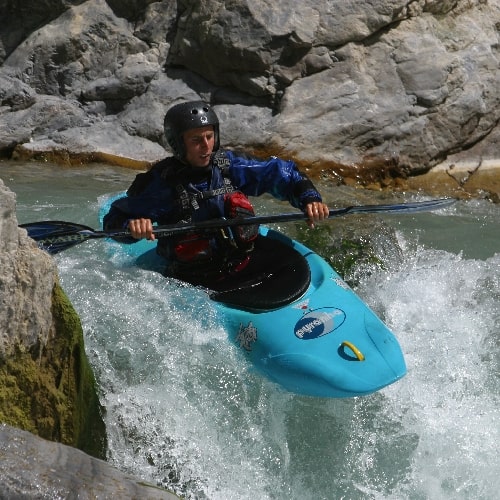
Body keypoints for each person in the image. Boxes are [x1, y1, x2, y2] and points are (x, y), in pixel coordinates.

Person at [103, 100, 329, 288]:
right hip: (194, 277)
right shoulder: (162, 185)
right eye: (196, 140)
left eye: (209, 137)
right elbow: (113, 221)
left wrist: (309, 198)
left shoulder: (228, 166)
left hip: (245, 257)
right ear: (178, 143)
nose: (206, 146)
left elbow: (283, 174)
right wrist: (133, 228)